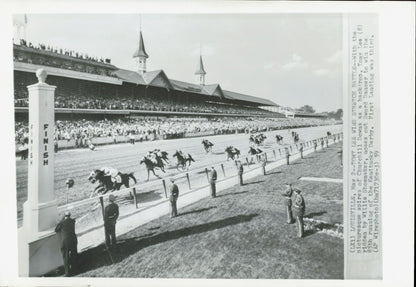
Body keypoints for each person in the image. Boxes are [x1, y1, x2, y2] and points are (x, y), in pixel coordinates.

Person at [55, 211, 78, 276]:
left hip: (65, 242)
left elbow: (56, 229)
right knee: (74, 256)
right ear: (70, 215)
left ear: (64, 216)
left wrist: (61, 220)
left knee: (66, 257)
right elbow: (70, 221)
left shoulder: (61, 223)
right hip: (73, 240)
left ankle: (68, 273)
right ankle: (75, 270)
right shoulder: (73, 221)